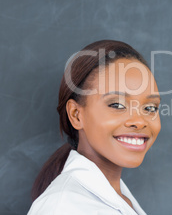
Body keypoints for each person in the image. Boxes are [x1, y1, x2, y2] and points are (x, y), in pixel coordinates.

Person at [27, 40, 161, 215]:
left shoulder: (120, 198)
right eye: (117, 105)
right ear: (76, 115)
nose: (140, 121)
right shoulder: (62, 207)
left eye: (150, 108)